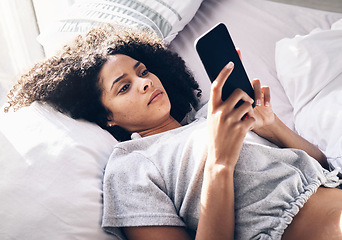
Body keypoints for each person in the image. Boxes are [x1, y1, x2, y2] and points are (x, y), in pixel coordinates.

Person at [4, 24, 342, 240]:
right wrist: (219, 163)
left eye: (143, 71)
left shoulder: (214, 114)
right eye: (124, 88)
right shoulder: (130, 168)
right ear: (107, 117)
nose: (145, 82)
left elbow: (323, 166)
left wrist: (272, 125)